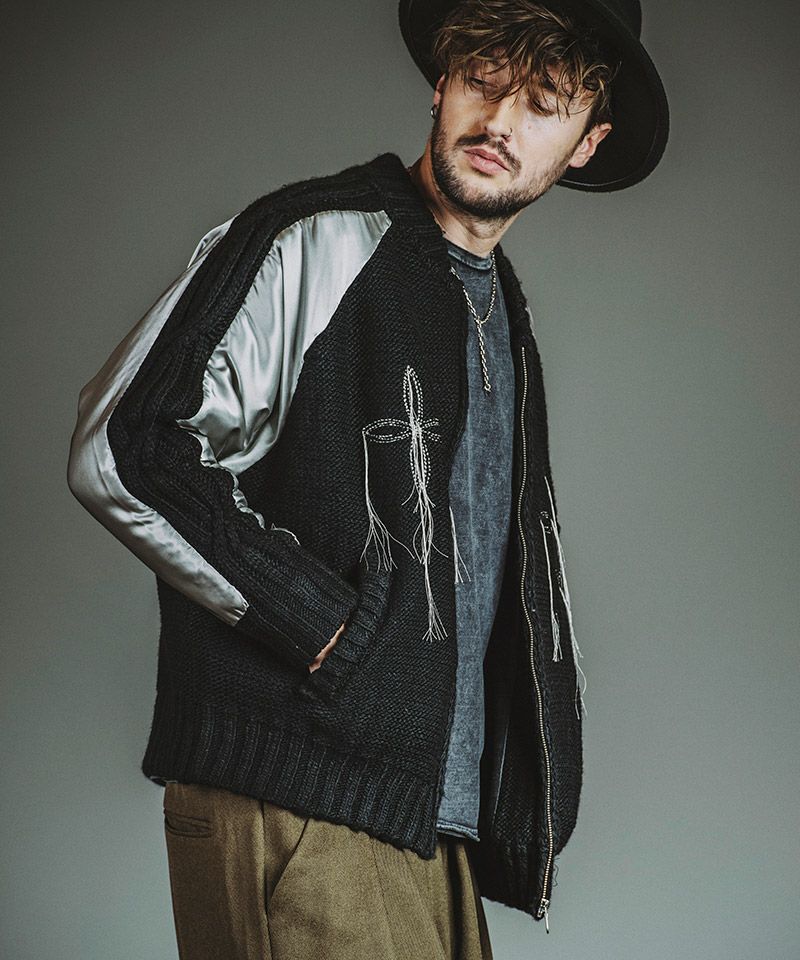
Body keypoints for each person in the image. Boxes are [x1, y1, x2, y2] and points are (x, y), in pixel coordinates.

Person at [66, 0, 669, 956]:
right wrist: (323, 628)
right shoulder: (321, 238)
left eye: (542, 103)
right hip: (298, 794)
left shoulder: (497, 307)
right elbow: (129, 446)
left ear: (586, 142)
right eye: (483, 80)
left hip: (423, 818)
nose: (499, 122)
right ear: (442, 82)